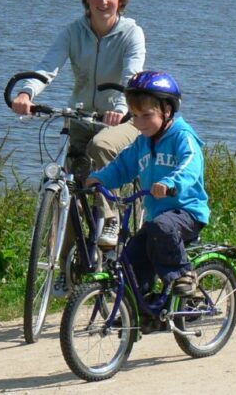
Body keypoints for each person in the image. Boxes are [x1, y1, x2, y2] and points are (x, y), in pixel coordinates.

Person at [9, 0, 144, 297]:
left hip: (123, 120)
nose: (103, 1)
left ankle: (111, 217)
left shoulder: (131, 33)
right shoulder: (74, 32)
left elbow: (131, 76)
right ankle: (68, 265)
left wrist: (121, 108)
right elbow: (47, 67)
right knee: (69, 187)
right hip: (81, 117)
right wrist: (26, 92)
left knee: (101, 147)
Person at [85, 71, 209, 301]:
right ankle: (142, 310)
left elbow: (190, 165)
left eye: (146, 115)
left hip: (187, 211)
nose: (139, 123)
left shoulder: (183, 136)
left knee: (162, 227)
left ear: (167, 110)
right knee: (131, 257)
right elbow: (122, 166)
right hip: (157, 217)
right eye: (134, 116)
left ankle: (184, 275)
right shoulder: (142, 142)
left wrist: (170, 183)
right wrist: (99, 178)